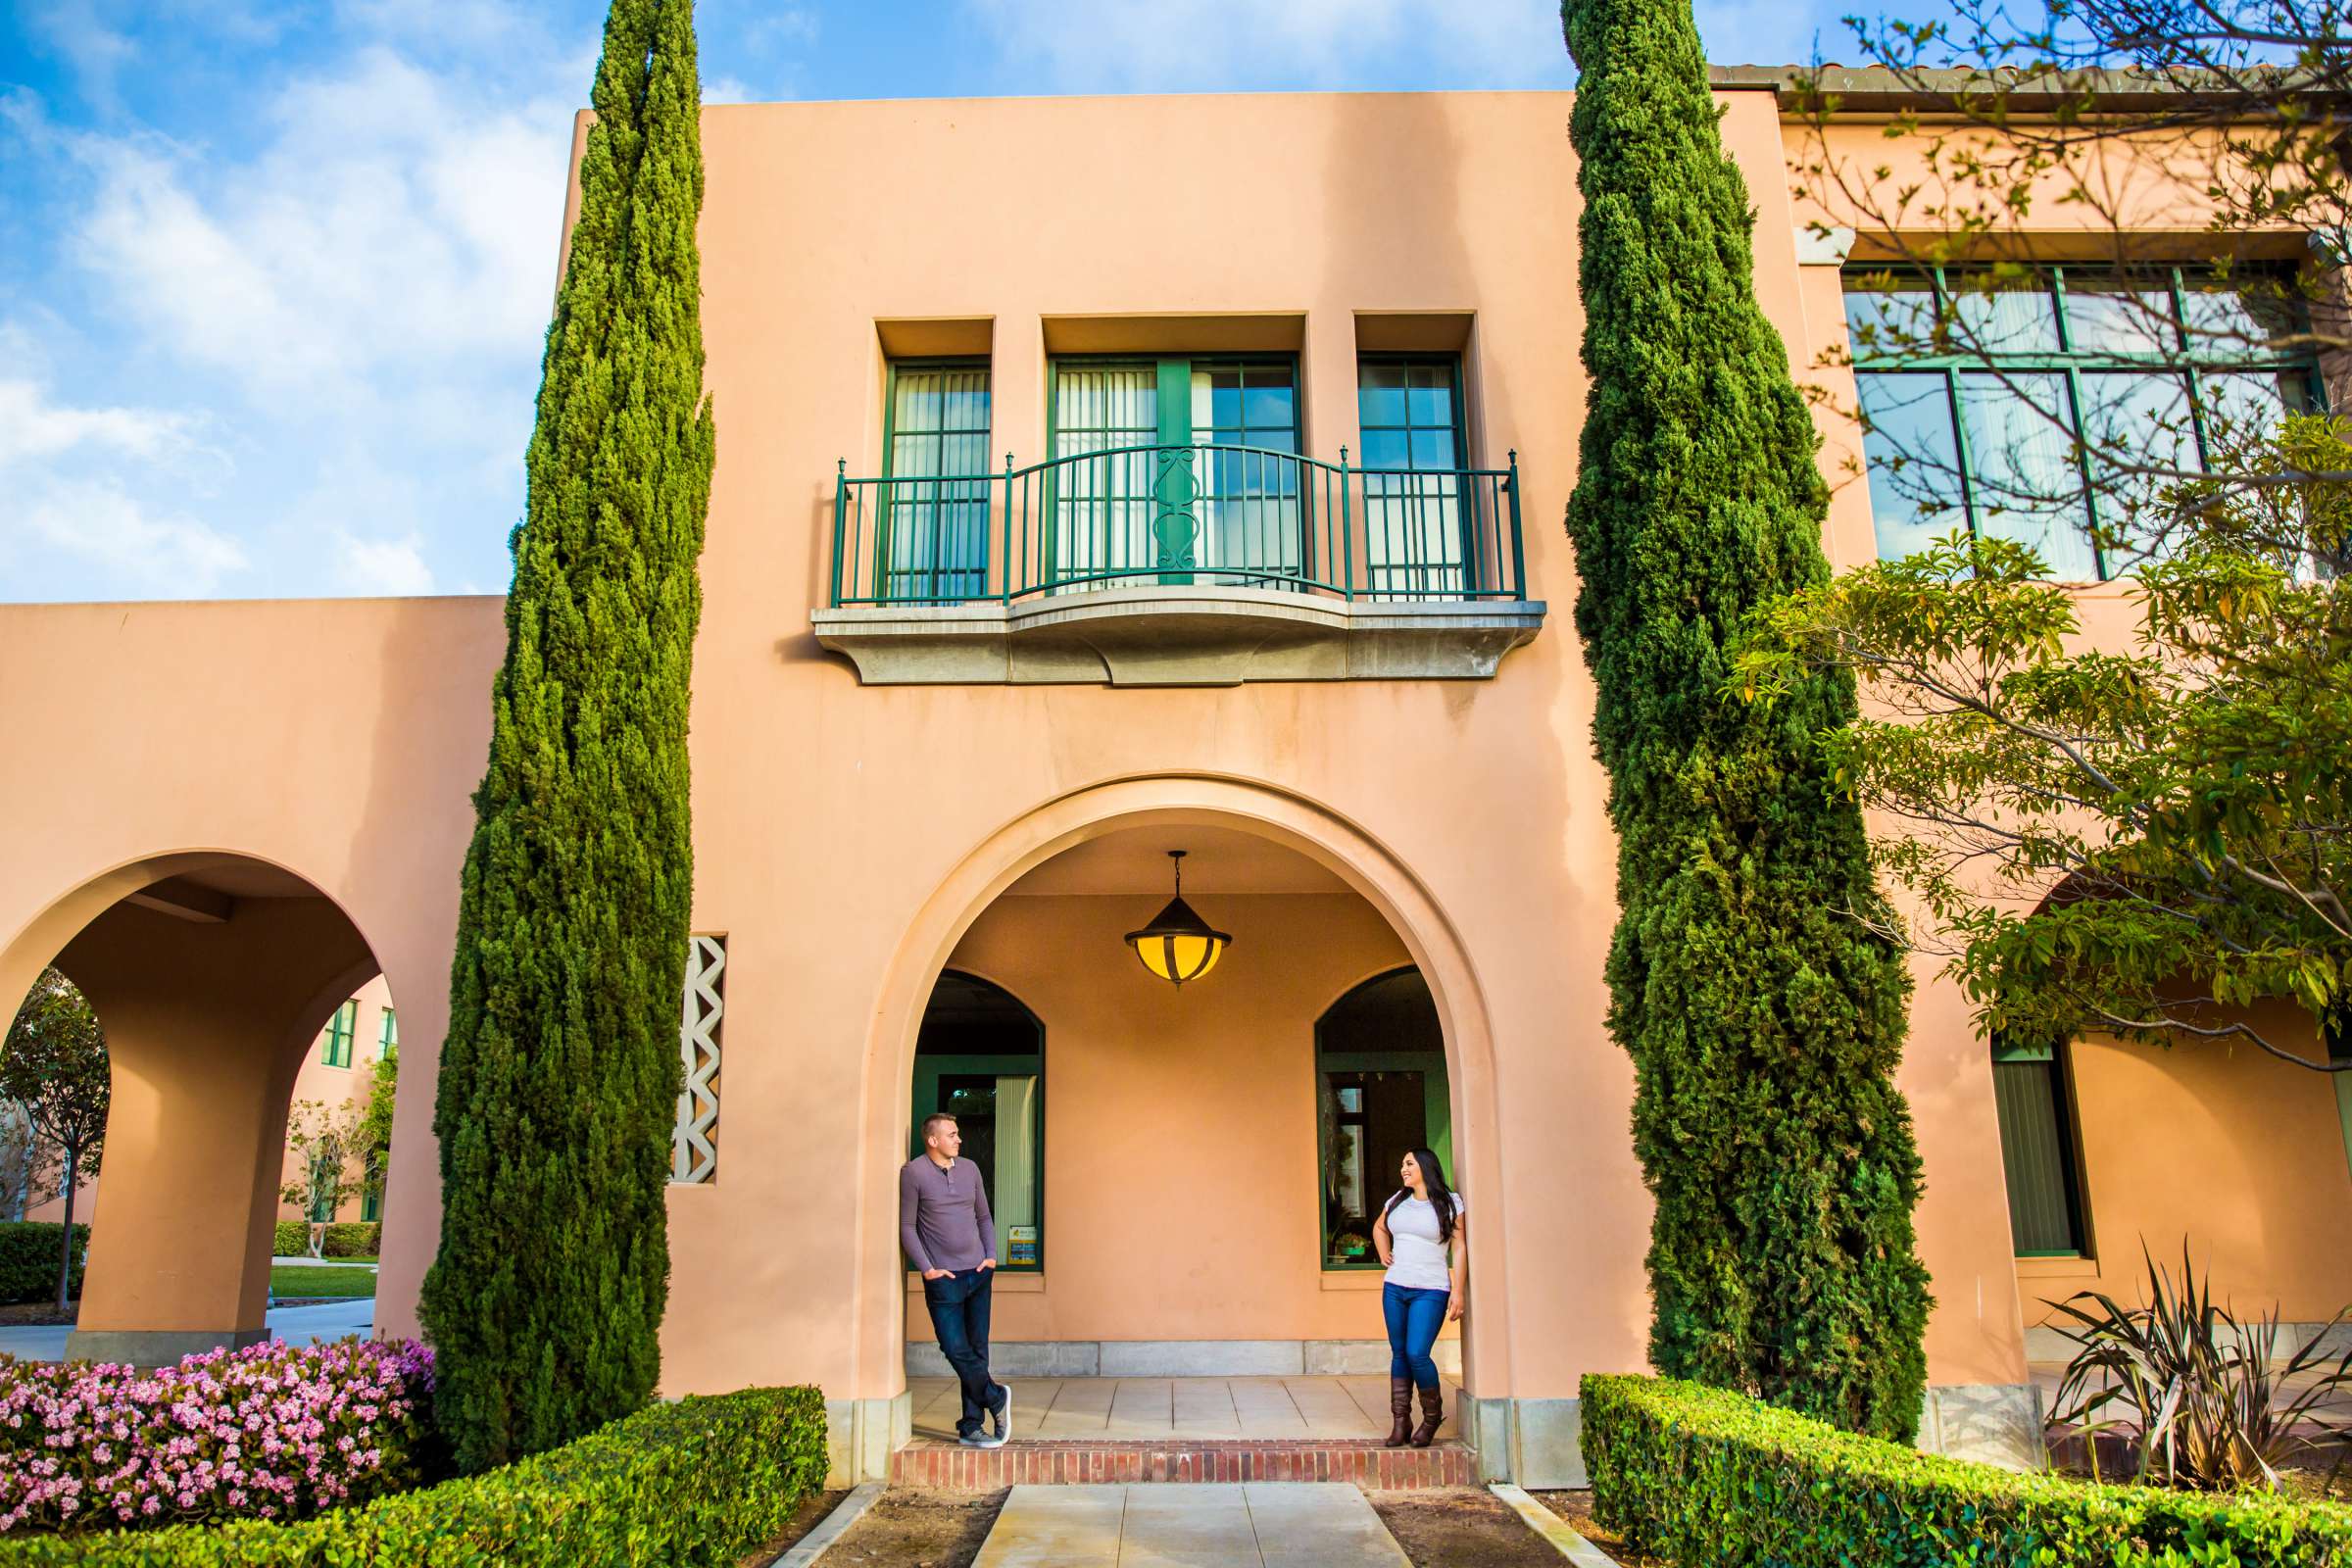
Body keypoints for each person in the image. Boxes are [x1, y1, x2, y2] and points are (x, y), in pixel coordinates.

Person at [900, 1111, 1011, 1447]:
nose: (959, 1139)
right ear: (933, 1140)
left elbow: (983, 1216)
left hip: (978, 1273)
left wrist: (991, 1256)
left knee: (978, 1349)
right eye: (952, 1134)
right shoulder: (913, 1173)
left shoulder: (970, 1169)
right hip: (943, 1278)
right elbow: (907, 1226)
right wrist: (927, 1268)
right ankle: (995, 1397)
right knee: (953, 1346)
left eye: (958, 1133)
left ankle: (971, 1426)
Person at [1370, 1146, 1465, 1448]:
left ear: (1425, 1166)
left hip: (1431, 1289)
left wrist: (1458, 1290)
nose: (1404, 1168)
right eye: (1402, 1163)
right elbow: (1379, 1228)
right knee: (1399, 1353)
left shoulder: (1450, 1203)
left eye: (1409, 1163)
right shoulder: (1397, 1201)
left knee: (1416, 1353)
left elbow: (1460, 1247)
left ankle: (1431, 1418)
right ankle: (1401, 1421)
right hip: (1395, 1287)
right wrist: (1384, 1252)